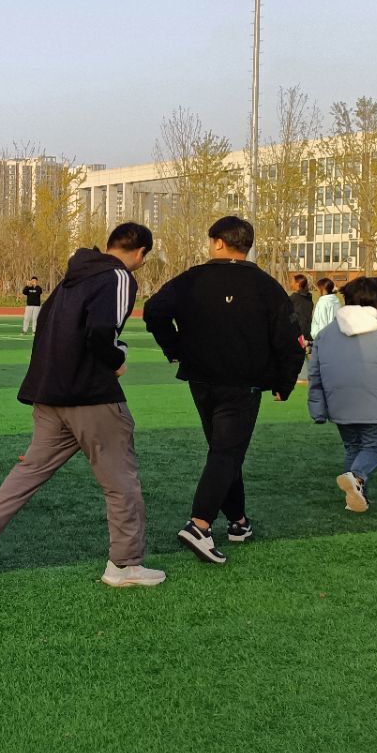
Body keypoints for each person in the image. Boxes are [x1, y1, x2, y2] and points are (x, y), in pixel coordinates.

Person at [0, 222, 167, 588]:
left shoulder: (71, 279)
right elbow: (101, 332)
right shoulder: (118, 277)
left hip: (50, 394)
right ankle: (124, 564)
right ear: (141, 253)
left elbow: (49, 331)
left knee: (28, 473)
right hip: (91, 396)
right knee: (121, 481)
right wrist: (117, 359)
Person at [142, 216, 305, 564]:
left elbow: (153, 311)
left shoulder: (192, 278)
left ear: (217, 242)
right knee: (227, 452)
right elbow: (291, 339)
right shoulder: (266, 286)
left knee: (225, 450)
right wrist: (285, 382)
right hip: (243, 382)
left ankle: (238, 521)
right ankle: (200, 523)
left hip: (201, 378)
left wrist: (175, 347)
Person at [308, 277, 377, 512]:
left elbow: (315, 375)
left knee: (353, 448)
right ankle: (357, 477)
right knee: (376, 448)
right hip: (374, 406)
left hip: (340, 405)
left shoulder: (326, 333)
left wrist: (317, 409)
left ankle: (356, 497)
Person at [289, 275, 314, 347]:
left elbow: (289, 314)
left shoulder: (294, 298)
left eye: (292, 282)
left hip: (298, 333)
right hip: (308, 331)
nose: (291, 283)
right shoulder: (309, 297)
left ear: (297, 284)